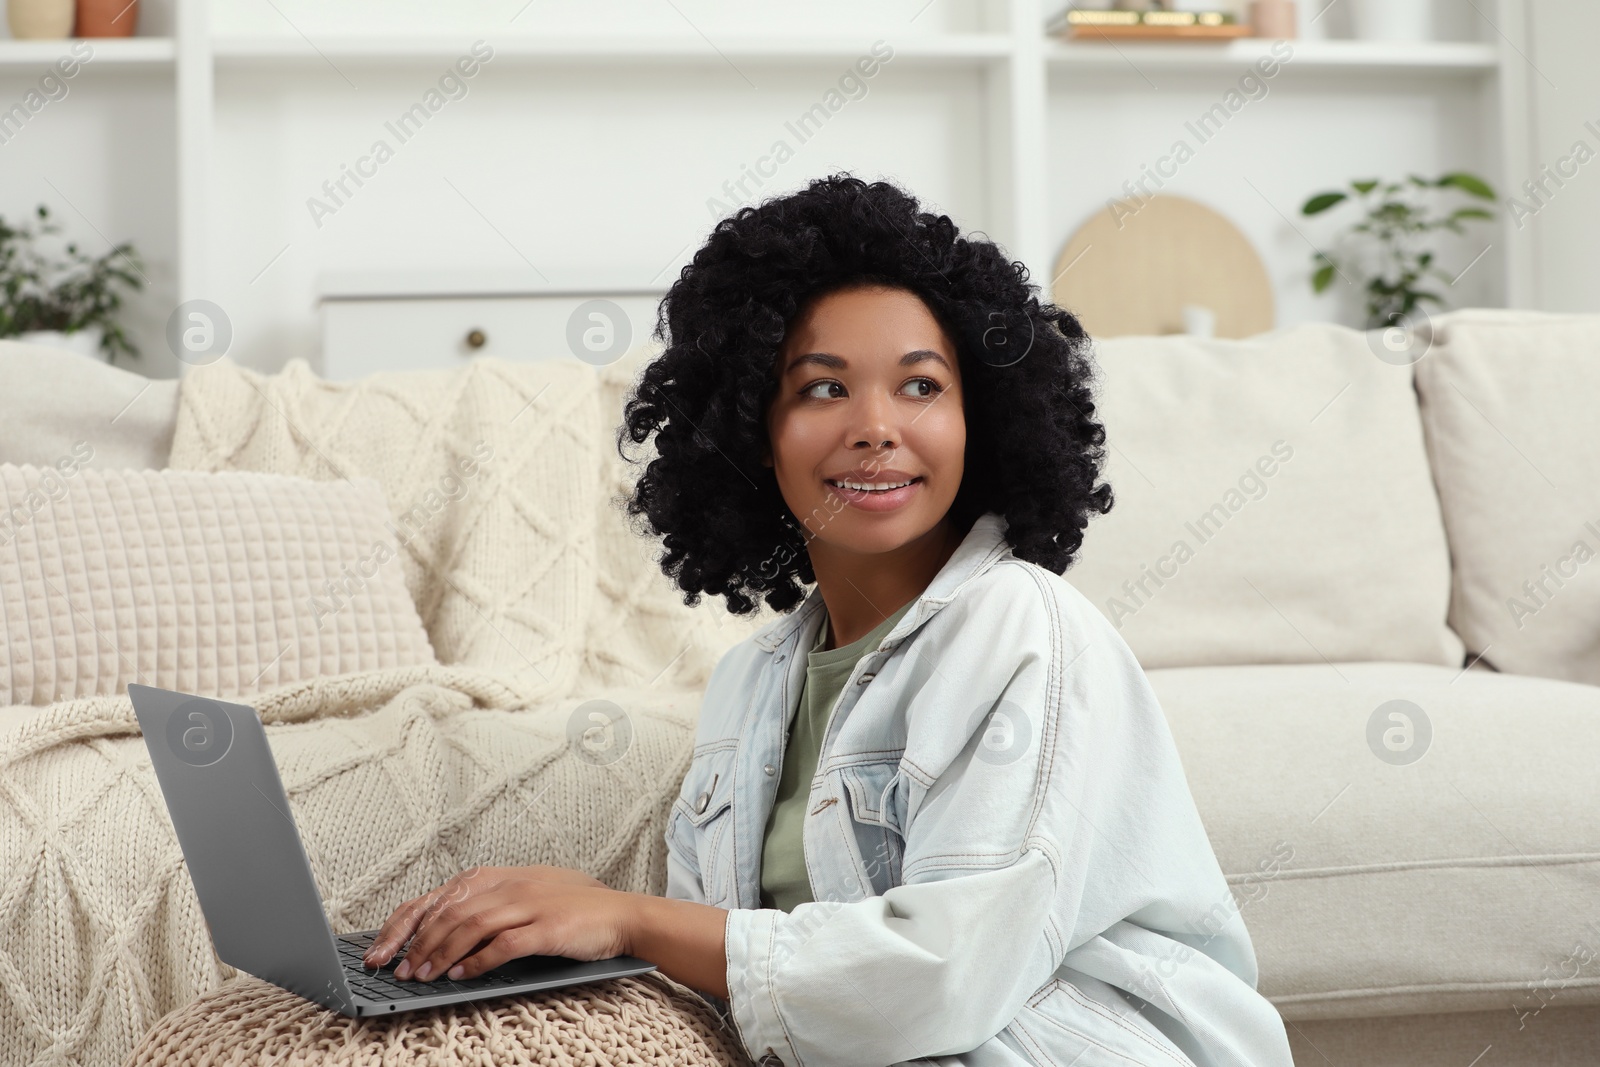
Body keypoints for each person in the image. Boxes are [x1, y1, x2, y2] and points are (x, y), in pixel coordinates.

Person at [360, 173, 1296, 1067]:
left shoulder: (1021, 628)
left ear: (984, 419)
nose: (876, 425)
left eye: (922, 385)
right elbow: (733, 972)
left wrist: (625, 917)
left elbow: (947, 974)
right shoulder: (750, 683)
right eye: (822, 387)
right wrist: (536, 949)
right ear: (752, 432)